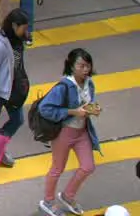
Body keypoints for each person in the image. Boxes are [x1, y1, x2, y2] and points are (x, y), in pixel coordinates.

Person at [38, 48, 102, 216]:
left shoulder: (89, 83)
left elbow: (89, 101)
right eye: (81, 66)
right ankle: (48, 200)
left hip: (82, 132)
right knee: (57, 168)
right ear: (72, 66)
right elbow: (45, 109)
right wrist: (73, 112)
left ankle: (67, 195)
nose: (85, 70)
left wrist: (93, 108)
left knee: (88, 167)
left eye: (88, 66)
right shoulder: (64, 87)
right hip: (64, 133)